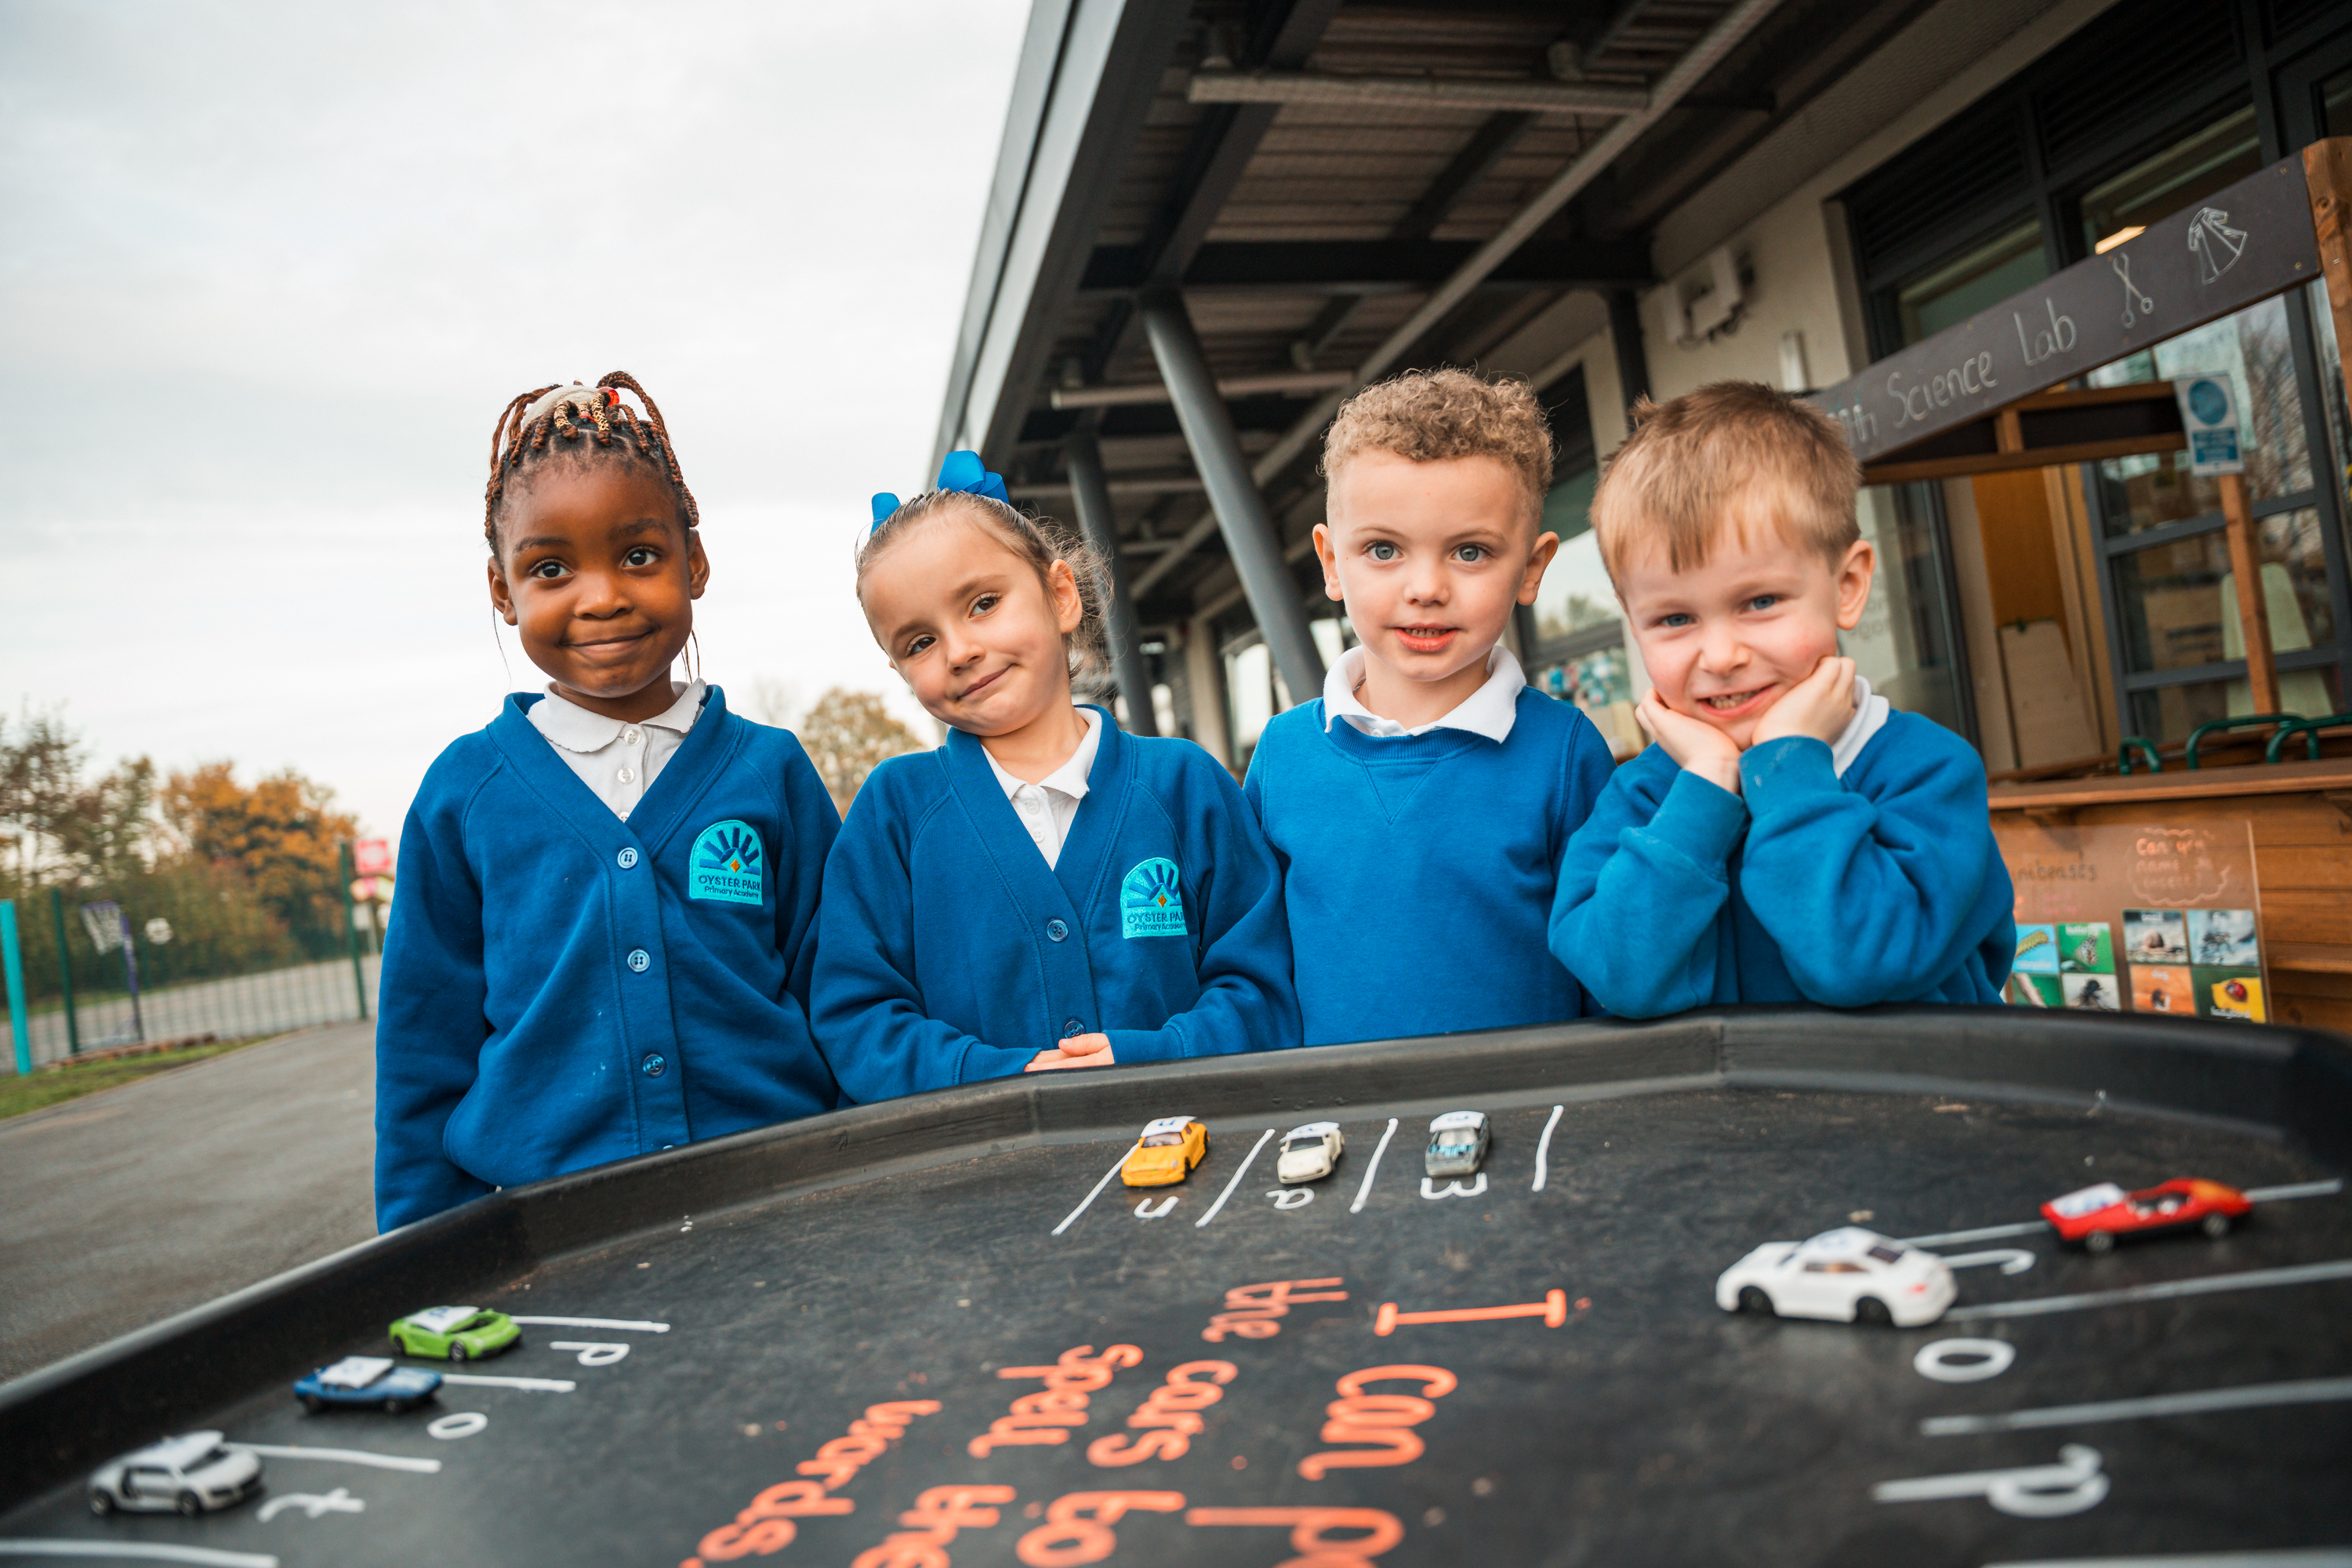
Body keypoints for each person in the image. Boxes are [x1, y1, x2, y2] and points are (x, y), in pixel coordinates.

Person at [374, 374, 840, 1230]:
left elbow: (839, 993)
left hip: (788, 1199)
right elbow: (421, 1050)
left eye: (638, 556)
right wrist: (418, 1257)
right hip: (549, 1232)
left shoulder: (771, 770)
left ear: (694, 562)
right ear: (501, 589)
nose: (601, 596)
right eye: (550, 567)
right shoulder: (463, 794)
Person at [811, 453, 1298, 1100]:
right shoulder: (892, 813)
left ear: (1061, 595)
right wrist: (1000, 1079)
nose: (960, 652)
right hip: (983, 1177)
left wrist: (1157, 1056)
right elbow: (858, 1020)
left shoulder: (1188, 787)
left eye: (983, 604)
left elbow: (1263, 994)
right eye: (919, 643)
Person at [1549, 381, 2013, 1015]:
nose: (1720, 656)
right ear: (1633, 624)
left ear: (1847, 585)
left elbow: (1860, 960)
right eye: (1674, 619)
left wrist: (1788, 766)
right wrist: (1707, 788)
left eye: (1760, 602)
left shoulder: (1927, 771)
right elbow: (1618, 978)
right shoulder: (1646, 796)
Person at [1243, 369, 1617, 1046]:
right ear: (1331, 562)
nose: (1425, 588)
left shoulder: (1565, 753)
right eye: (1383, 550)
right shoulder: (1282, 754)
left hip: (1529, 1121)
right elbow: (1257, 967)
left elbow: (1606, 970)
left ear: (1532, 568)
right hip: (1339, 1128)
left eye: (1469, 551)